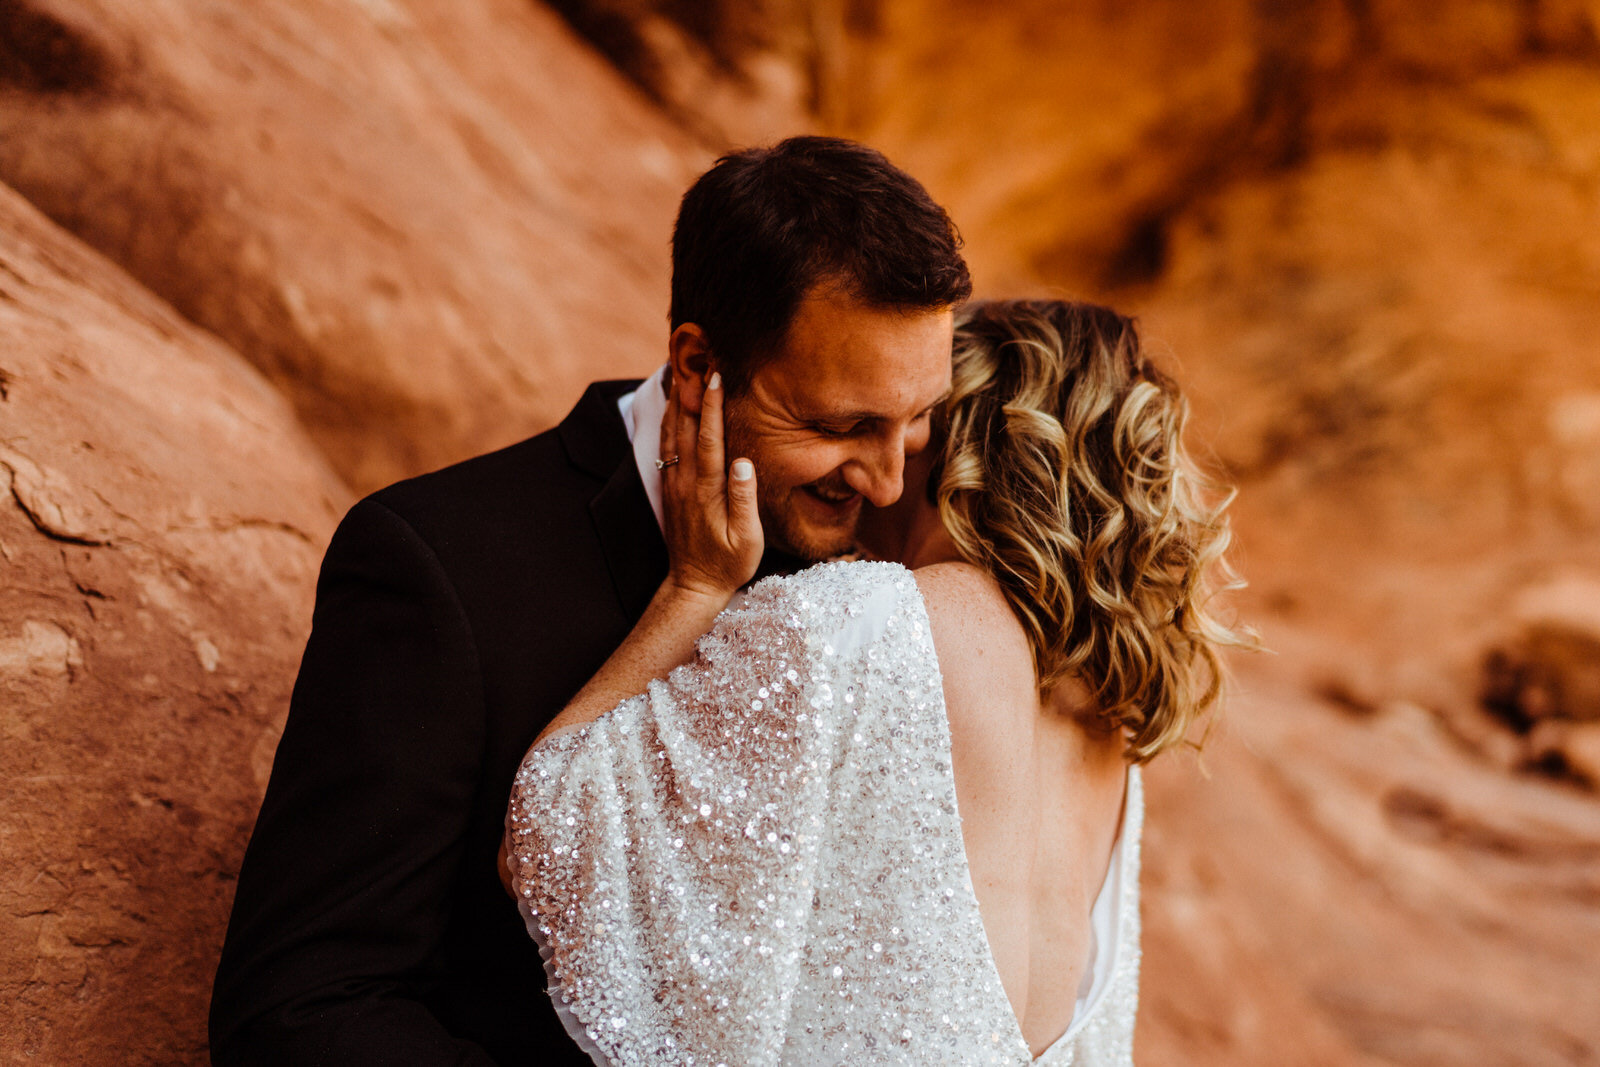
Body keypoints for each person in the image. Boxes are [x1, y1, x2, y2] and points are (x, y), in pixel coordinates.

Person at [208, 137, 972, 1066]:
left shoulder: (884, 577)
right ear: (697, 367)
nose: (892, 482)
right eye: (843, 425)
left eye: (918, 418)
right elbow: (299, 1007)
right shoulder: (438, 569)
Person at [504, 299, 1254, 1065]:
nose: (883, 456)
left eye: (916, 414)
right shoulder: (1111, 736)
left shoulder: (870, 624)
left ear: (966, 442)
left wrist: (694, 591)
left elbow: (549, 839)